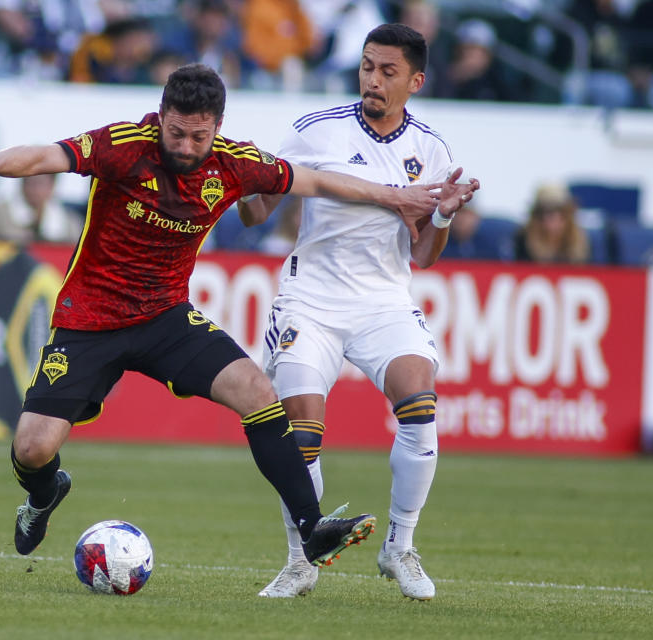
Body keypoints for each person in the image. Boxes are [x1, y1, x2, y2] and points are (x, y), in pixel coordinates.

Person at [0, 63, 445, 572]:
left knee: (257, 391)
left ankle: (311, 530)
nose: (184, 146)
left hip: (165, 318)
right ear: (161, 118)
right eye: (176, 133)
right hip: (90, 318)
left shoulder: (234, 163)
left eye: (198, 136)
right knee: (32, 448)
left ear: (216, 128)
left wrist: (395, 196)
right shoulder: (124, 145)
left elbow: (312, 181)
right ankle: (44, 495)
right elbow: (49, 155)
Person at [238, 24, 479, 600]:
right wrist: (254, 187)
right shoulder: (315, 131)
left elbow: (421, 254)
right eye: (367, 66)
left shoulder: (432, 150)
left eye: (387, 71)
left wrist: (442, 217)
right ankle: (301, 561)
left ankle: (400, 547)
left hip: (382, 300)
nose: (373, 79)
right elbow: (253, 216)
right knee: (302, 428)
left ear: (415, 81)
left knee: (420, 400)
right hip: (311, 299)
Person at [0, 173, 85, 243]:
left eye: (41, 184)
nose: (35, 189)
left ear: (52, 186)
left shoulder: (70, 222)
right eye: (31, 182)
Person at [514, 182, 590, 263]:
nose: (553, 218)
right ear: (536, 217)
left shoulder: (581, 240)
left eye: (560, 212)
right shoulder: (523, 240)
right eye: (545, 212)